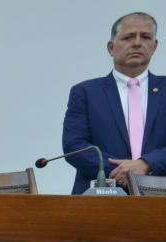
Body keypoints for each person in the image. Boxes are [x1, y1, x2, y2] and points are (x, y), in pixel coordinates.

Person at [62, 12, 164, 193]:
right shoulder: (85, 92)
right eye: (128, 37)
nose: (137, 43)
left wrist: (146, 164)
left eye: (146, 37)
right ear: (111, 47)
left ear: (154, 46)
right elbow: (74, 146)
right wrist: (123, 172)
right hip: (101, 195)